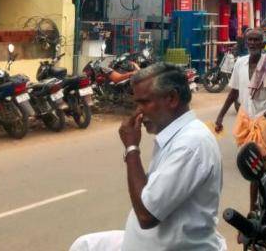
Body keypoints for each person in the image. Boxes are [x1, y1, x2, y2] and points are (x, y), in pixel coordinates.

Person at [69, 64, 226, 251]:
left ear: (172, 99)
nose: (138, 113)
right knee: (85, 245)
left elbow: (146, 214)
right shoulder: (176, 136)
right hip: (150, 242)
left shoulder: (190, 144)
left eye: (144, 103)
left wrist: (132, 148)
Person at [213, 29, 266, 208]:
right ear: (246, 42)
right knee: (254, 164)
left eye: (256, 40)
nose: (252, 43)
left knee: (260, 163)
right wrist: (220, 116)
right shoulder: (240, 64)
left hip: (265, 117)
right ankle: (256, 204)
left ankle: (259, 205)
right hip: (246, 117)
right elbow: (234, 91)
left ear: (262, 43)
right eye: (249, 40)